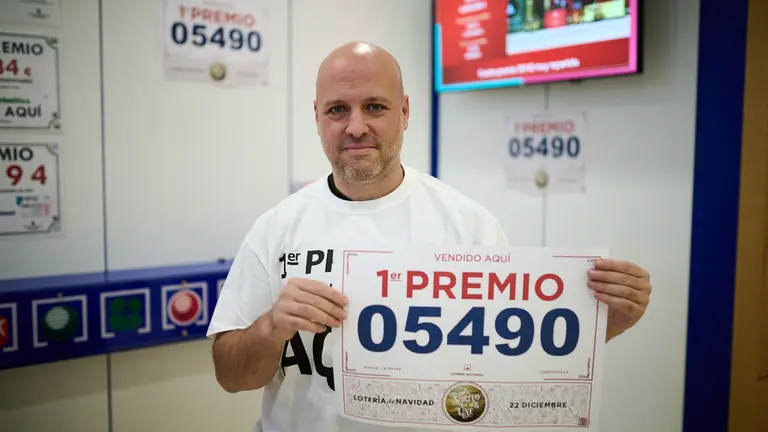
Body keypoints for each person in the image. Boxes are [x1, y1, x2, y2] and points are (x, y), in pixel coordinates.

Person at [207, 41, 652, 432]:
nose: (356, 126)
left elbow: (512, 363)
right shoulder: (276, 229)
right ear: (317, 117)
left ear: (404, 112)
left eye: (375, 107)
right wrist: (271, 328)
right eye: (338, 109)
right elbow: (230, 376)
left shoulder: (468, 226)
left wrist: (598, 328)